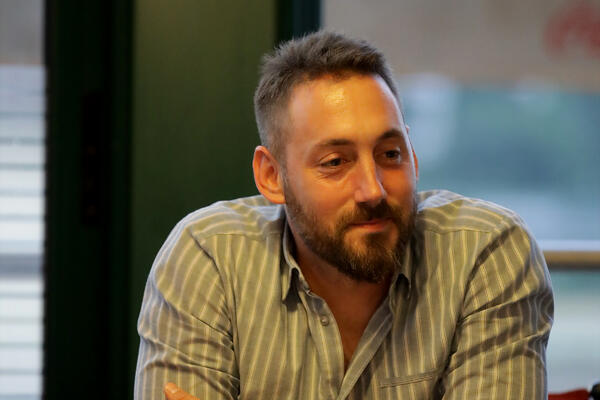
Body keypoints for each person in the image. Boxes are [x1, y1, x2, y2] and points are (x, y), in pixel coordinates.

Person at [134, 31, 554, 400]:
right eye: (335, 162)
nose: (373, 190)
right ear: (272, 176)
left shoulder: (487, 253)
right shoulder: (208, 257)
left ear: (412, 155)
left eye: (390, 154)